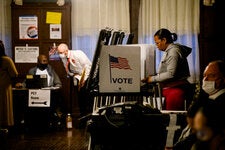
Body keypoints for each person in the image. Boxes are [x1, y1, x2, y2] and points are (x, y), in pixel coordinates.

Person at [142, 28, 192, 110]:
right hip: (171, 90)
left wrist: (152, 79)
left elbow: (171, 74)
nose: (156, 45)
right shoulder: (169, 51)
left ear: (164, 40)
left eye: (157, 43)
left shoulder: (173, 52)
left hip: (175, 91)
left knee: (172, 118)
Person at [57, 43, 92, 117]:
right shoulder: (64, 58)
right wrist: (72, 75)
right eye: (58, 53)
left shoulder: (78, 53)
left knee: (86, 99)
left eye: (60, 53)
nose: (60, 55)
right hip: (76, 78)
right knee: (80, 99)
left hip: (86, 78)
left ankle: (88, 117)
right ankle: (83, 117)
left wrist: (84, 80)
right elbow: (67, 69)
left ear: (66, 51)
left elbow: (88, 66)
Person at [0, 40, 19, 129]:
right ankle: (5, 124)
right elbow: (14, 74)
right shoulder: (6, 60)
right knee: (5, 106)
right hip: (4, 86)